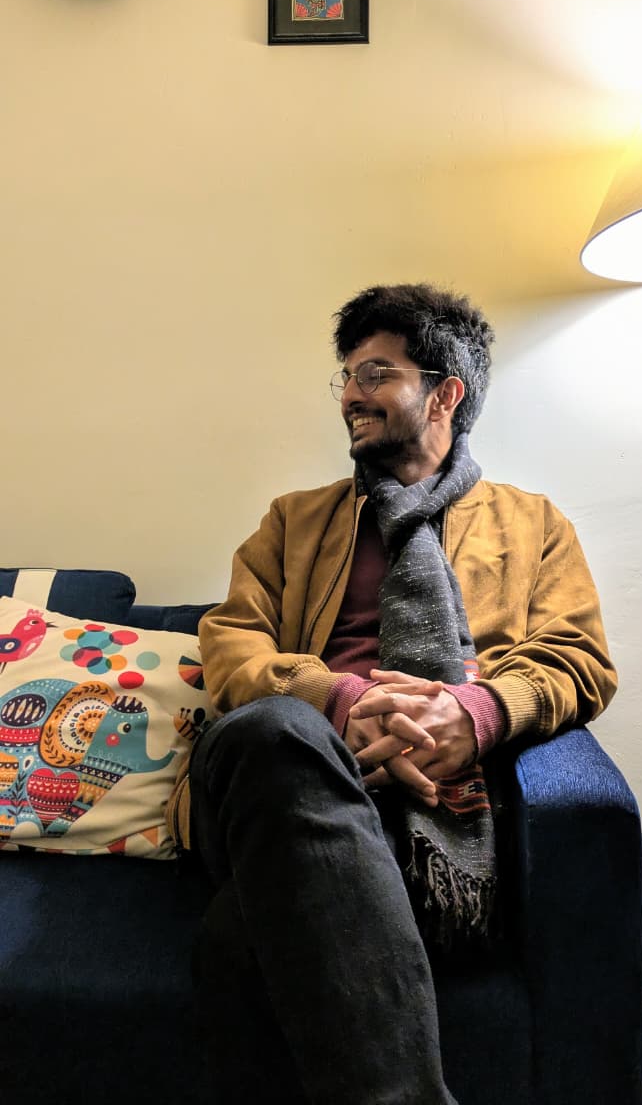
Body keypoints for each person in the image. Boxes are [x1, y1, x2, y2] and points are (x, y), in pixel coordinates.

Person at [174, 283, 617, 1105]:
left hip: (430, 801)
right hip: (279, 769)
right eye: (346, 376)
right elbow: (231, 643)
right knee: (276, 731)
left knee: (241, 941)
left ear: (445, 393)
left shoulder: (533, 525)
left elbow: (576, 659)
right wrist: (339, 703)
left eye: (375, 373)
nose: (350, 393)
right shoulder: (292, 520)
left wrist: (471, 715)